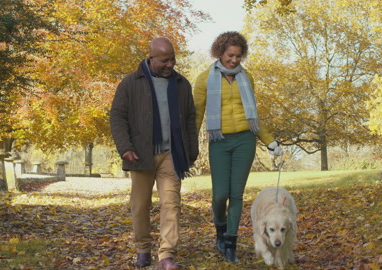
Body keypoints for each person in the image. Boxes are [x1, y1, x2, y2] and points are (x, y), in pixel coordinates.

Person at [193, 31, 283, 263]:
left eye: (238, 57)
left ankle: (231, 242)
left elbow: (253, 114)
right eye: (230, 55)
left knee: (236, 194)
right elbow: (196, 115)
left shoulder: (247, 78)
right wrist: (189, 144)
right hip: (219, 141)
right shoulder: (204, 79)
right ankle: (220, 229)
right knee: (220, 194)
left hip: (245, 140)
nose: (234, 60)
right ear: (220, 52)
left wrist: (269, 141)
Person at [110, 37, 199, 270]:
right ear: (151, 58)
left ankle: (166, 255)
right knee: (140, 205)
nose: (170, 64)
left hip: (173, 153)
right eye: (165, 60)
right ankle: (142, 249)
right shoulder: (131, 82)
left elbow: (190, 117)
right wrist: (125, 147)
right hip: (141, 154)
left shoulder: (182, 84)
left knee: (171, 204)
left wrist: (192, 149)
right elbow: (117, 117)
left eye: (173, 59)